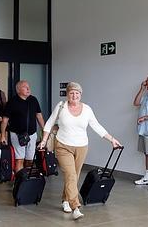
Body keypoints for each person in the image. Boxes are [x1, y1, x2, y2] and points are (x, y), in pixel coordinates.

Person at [39, 82, 121, 220]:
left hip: (82, 146)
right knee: (71, 175)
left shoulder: (87, 109)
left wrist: (111, 139)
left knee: (74, 176)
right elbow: (49, 123)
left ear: (81, 95)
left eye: (77, 93)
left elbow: (96, 125)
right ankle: (75, 207)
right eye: (71, 93)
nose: (74, 95)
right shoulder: (61, 107)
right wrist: (44, 140)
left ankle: (65, 200)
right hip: (63, 145)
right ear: (67, 94)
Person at [0, 80, 45, 171]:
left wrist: (44, 130)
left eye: (28, 87)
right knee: (19, 159)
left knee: (30, 160)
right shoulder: (12, 102)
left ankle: (26, 180)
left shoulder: (33, 100)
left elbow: (39, 116)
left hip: (31, 134)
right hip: (17, 135)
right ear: (18, 90)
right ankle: (19, 181)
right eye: (25, 87)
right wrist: (3, 135)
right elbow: (5, 120)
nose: (28, 89)